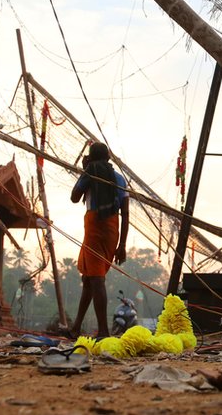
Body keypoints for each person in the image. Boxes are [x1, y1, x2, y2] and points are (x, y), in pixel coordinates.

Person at [67, 142, 129, 338]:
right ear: (109, 158)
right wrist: (122, 245)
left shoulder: (90, 174)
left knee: (96, 280)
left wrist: (86, 171)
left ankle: (103, 331)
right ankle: (76, 327)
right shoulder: (119, 179)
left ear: (91, 158)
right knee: (88, 279)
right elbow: (126, 214)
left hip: (94, 228)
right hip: (112, 231)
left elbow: (74, 197)